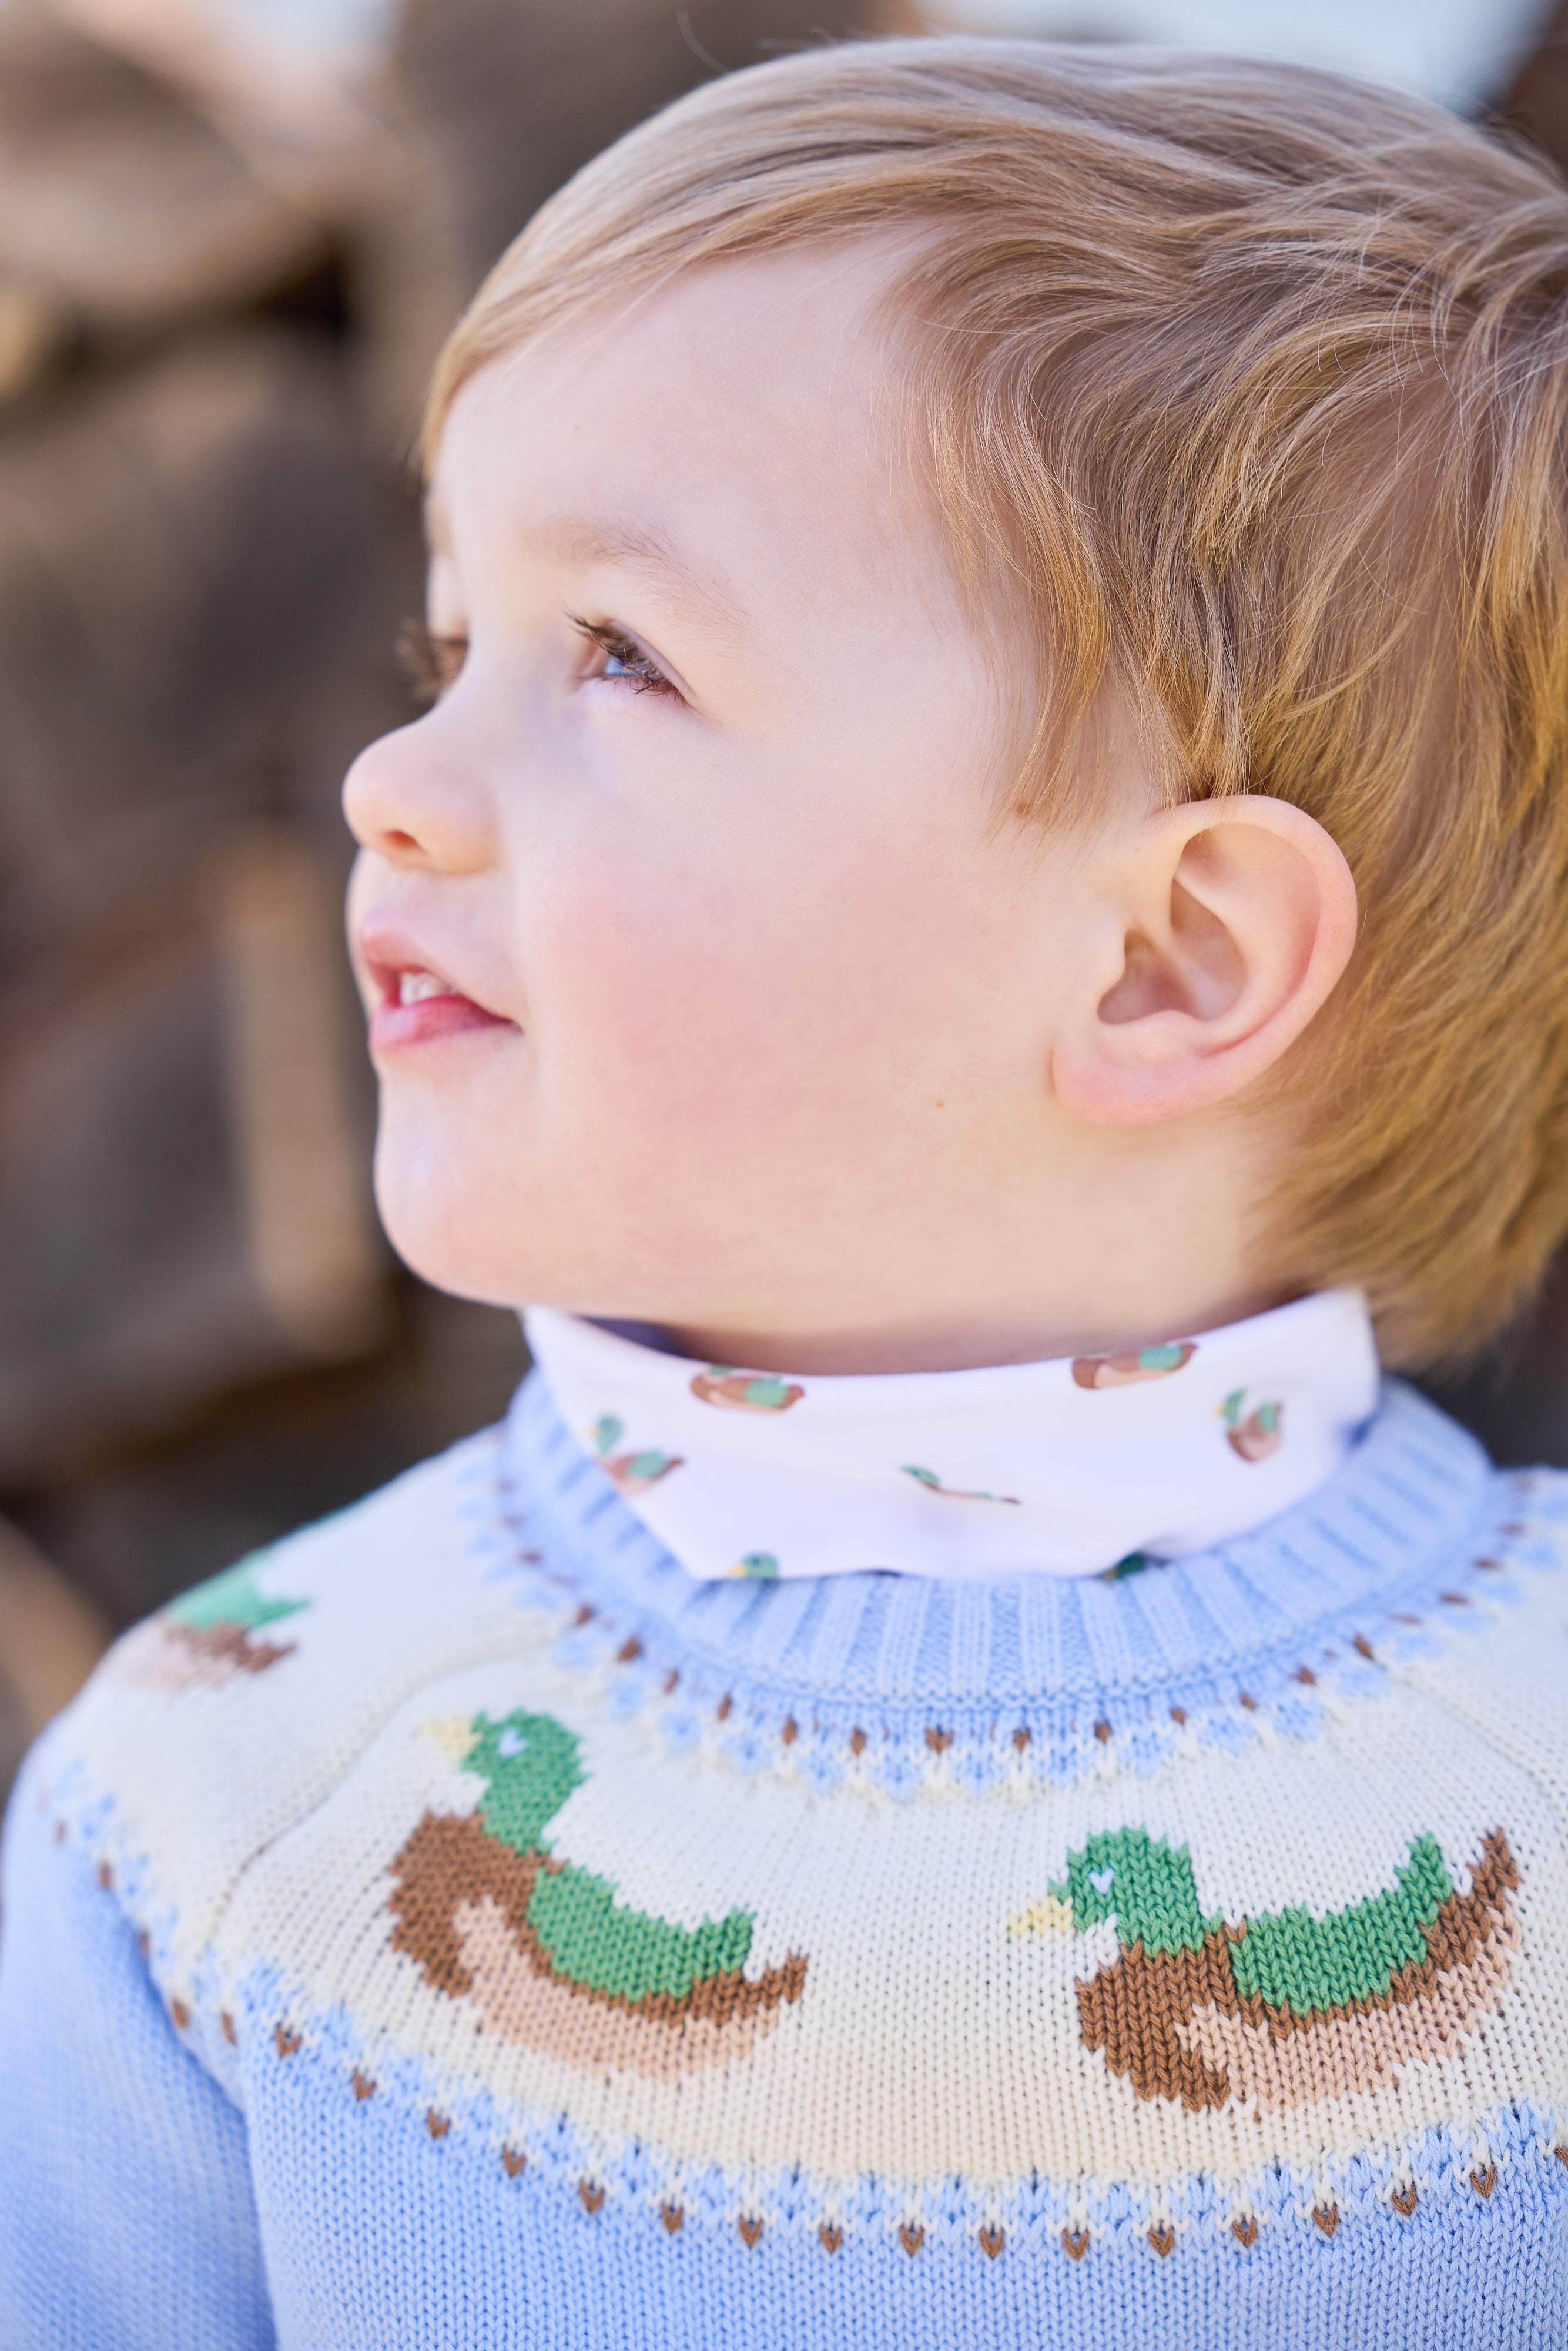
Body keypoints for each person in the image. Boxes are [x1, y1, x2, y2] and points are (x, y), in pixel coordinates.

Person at [4, 36, 1567, 2349]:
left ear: (1163, 961)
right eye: (448, 650)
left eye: (616, 657)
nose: (394, 779)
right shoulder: (223, 1786)